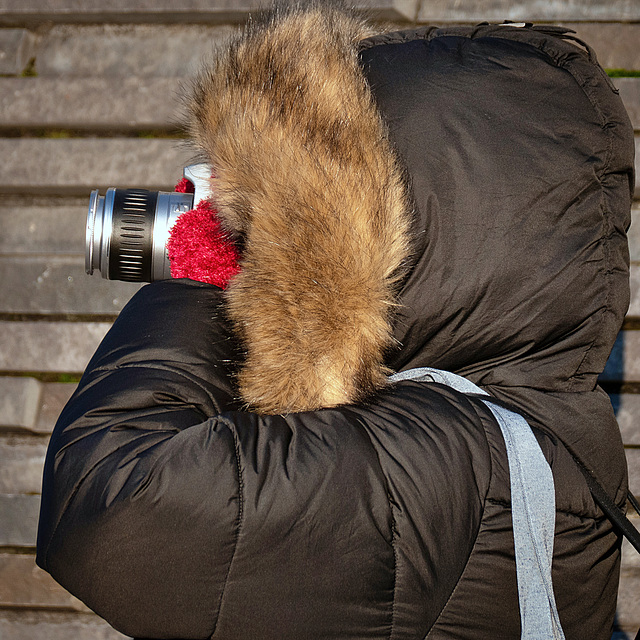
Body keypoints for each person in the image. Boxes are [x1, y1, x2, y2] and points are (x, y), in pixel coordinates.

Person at [37, 6, 634, 639]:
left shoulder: (452, 456)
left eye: (284, 198)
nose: (256, 221)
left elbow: (110, 500)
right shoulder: (518, 428)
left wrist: (208, 253)